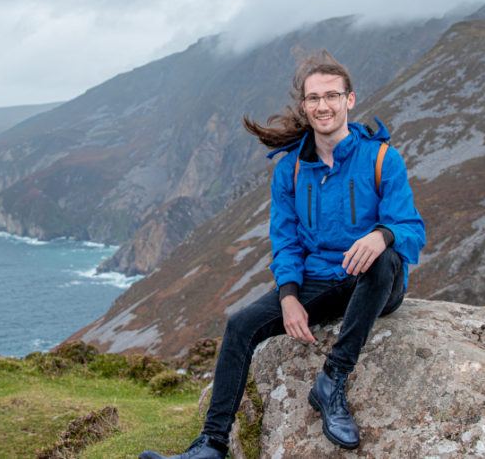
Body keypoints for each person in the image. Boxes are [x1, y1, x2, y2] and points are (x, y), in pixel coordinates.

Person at [139, 50, 426, 458]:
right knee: (241, 325)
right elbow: (286, 241)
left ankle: (332, 380)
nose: (323, 105)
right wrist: (289, 296)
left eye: (332, 95)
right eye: (314, 98)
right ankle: (211, 444)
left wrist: (381, 235)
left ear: (350, 100)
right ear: (304, 106)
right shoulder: (290, 169)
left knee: (383, 256)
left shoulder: (382, 159)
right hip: (320, 281)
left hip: (375, 282)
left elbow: (412, 228)